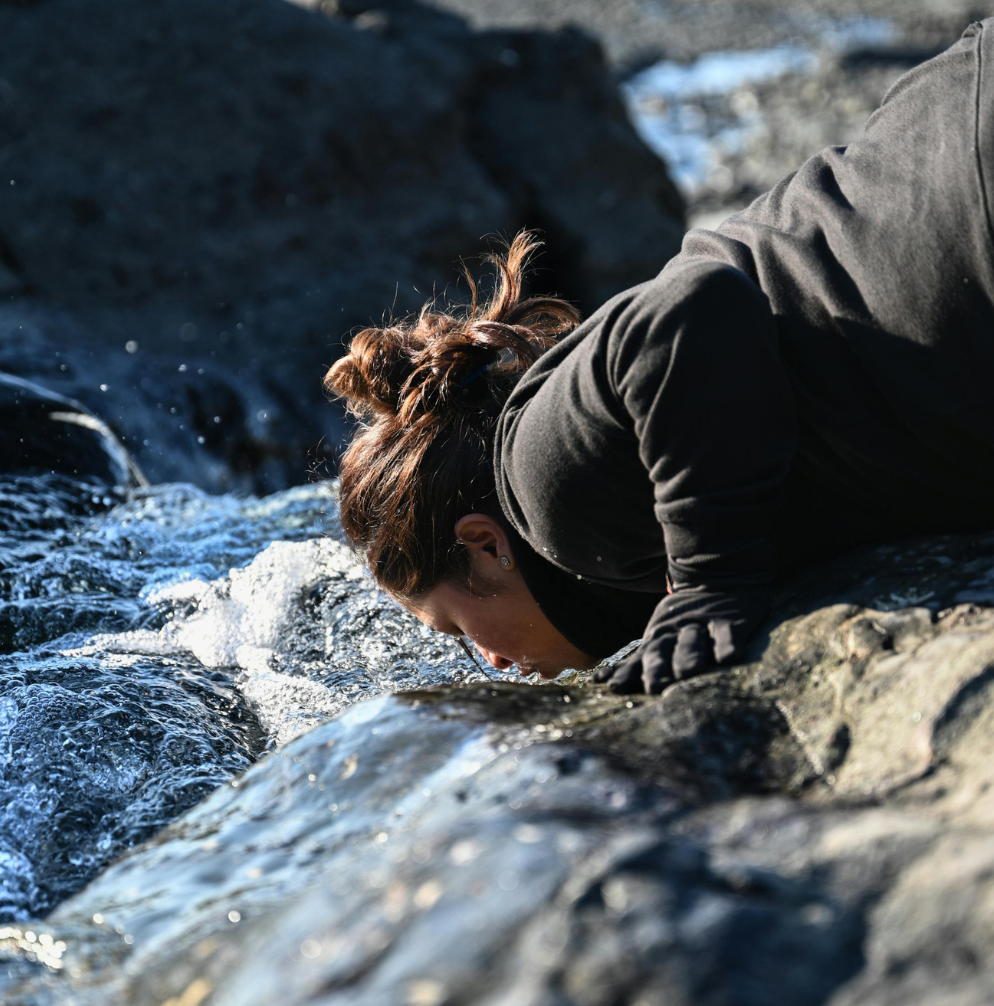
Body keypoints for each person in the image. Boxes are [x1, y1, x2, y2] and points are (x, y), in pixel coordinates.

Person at [324, 20, 994, 695]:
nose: (493, 664)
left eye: (460, 632)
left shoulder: (540, 492)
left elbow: (690, 310)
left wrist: (711, 581)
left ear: (487, 545)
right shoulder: (630, 510)